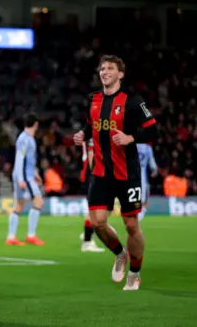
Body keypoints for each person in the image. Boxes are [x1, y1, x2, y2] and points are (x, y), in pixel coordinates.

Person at [73, 54, 158, 291]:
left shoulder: (132, 101)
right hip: (100, 173)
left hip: (127, 174)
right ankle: (120, 254)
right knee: (97, 222)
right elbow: (92, 126)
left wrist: (131, 137)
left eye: (110, 68)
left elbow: (153, 132)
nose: (104, 71)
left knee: (131, 226)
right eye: (102, 68)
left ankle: (135, 272)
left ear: (120, 74)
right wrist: (83, 134)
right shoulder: (94, 99)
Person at [6, 114, 45, 246]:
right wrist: (21, 179)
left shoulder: (27, 138)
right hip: (24, 177)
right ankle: (31, 235)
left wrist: (35, 173)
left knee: (20, 204)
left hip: (27, 176)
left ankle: (11, 237)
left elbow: (28, 160)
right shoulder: (24, 139)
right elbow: (19, 160)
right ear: (35, 124)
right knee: (38, 201)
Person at [80, 139, 105, 252]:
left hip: (90, 175)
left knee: (96, 210)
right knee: (93, 210)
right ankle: (87, 242)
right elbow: (91, 155)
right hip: (92, 176)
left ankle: (87, 235)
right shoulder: (93, 133)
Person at [137, 143, 158, 221]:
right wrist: (154, 171)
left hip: (130, 176)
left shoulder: (129, 144)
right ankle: (141, 212)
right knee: (142, 197)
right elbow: (152, 163)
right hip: (142, 178)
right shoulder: (147, 148)